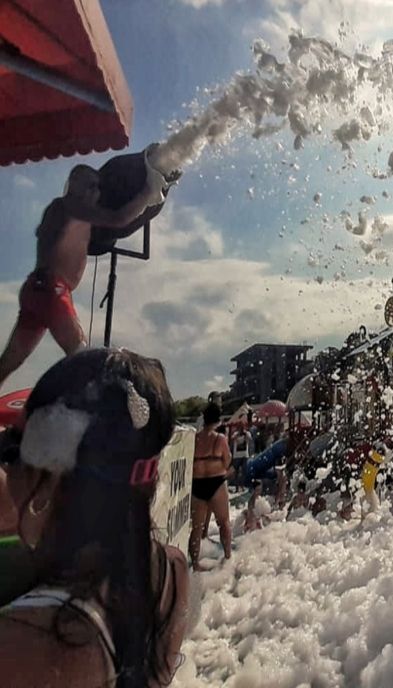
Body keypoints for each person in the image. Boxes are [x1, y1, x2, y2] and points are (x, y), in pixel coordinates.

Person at [0, 348, 189, 687]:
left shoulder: (24, 641)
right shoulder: (171, 572)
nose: (4, 467)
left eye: (11, 449)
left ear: (52, 475)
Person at [0, 155, 169, 391]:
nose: (96, 192)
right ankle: (83, 416)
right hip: (51, 289)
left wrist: (152, 202)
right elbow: (119, 219)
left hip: (37, 289)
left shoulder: (70, 212)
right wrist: (148, 193)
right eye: (90, 185)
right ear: (74, 184)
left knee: (9, 362)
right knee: (82, 357)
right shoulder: (68, 205)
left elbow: (120, 225)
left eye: (97, 187)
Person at [190, 403, 232, 570]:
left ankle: (195, 564)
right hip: (216, 483)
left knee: (196, 527)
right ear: (217, 420)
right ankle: (228, 558)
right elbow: (227, 461)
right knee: (224, 522)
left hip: (198, 483)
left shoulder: (195, 439)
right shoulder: (220, 439)